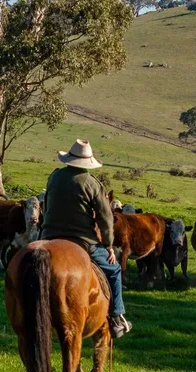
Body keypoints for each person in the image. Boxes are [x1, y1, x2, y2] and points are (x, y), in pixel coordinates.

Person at [41, 139, 132, 339]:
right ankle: (117, 316)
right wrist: (108, 246)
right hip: (82, 241)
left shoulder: (54, 177)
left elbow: (47, 204)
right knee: (114, 270)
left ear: (69, 159)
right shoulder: (92, 184)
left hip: (47, 235)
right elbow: (106, 219)